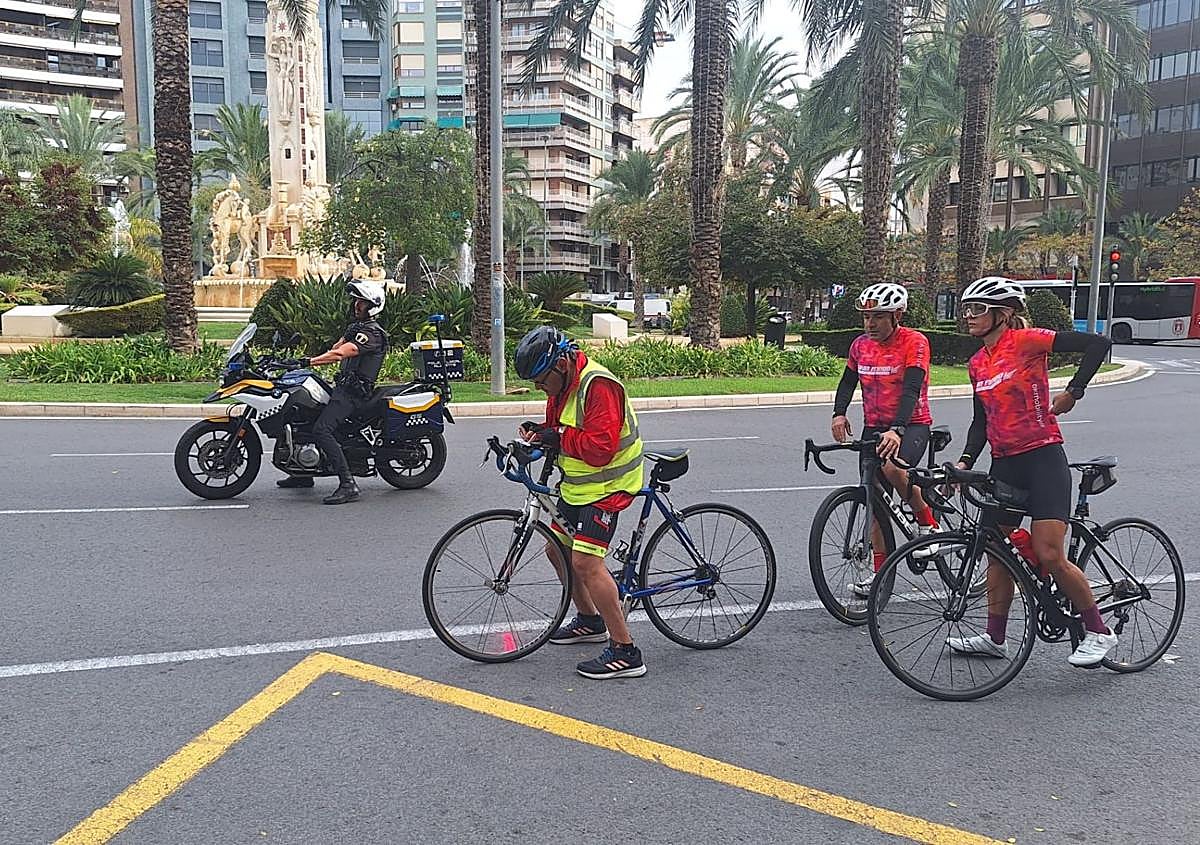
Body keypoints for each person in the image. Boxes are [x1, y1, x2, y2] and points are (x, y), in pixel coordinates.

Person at [948, 276, 1116, 666]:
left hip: (1043, 458)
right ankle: (995, 637)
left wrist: (1074, 391)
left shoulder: (1027, 341)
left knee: (1050, 553)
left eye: (978, 309)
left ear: (1003, 314)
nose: (969, 316)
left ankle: (1099, 630)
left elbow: (1098, 344)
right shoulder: (977, 363)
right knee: (996, 550)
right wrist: (966, 462)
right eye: (967, 309)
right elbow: (980, 421)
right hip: (1005, 461)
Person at [514, 326, 647, 680]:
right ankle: (590, 621)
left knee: (586, 562)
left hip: (610, 486)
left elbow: (600, 448)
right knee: (555, 550)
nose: (541, 389)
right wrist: (539, 431)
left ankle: (626, 650)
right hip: (579, 487)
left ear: (560, 364)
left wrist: (555, 436)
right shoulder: (564, 384)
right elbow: (560, 429)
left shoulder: (598, 386)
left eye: (542, 381)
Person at [831, 283, 941, 597]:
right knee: (873, 499)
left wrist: (897, 429)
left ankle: (927, 522)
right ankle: (878, 577)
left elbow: (911, 390)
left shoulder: (914, 342)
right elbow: (847, 381)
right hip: (873, 426)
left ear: (897, 315)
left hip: (912, 424)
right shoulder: (859, 345)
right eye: (867, 317)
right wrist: (839, 414)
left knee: (893, 468)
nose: (870, 324)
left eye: (878, 317)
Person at [278, 280, 388, 505]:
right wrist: (294, 362)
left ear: (373, 305)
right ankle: (303, 475)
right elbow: (335, 349)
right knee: (302, 414)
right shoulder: (356, 329)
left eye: (362, 302)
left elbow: (341, 354)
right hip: (343, 388)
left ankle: (348, 485)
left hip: (354, 395)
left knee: (322, 429)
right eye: (356, 301)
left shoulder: (372, 333)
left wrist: (307, 361)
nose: (357, 305)